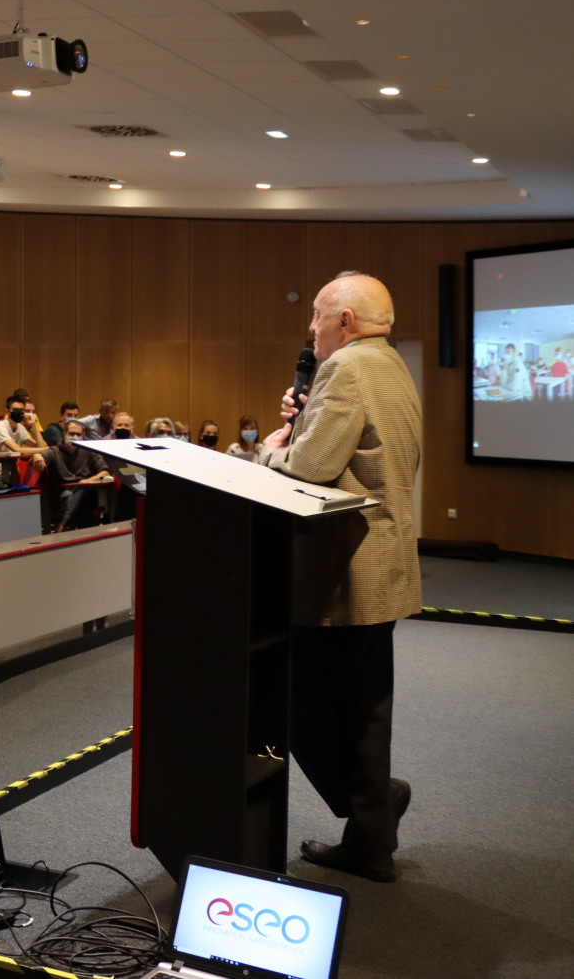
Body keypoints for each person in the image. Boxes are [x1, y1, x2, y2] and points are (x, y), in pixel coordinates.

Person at [252, 273, 422, 882]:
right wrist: (307, 421)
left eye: (317, 315)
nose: (311, 328)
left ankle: (373, 807)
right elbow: (356, 458)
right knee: (366, 710)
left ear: (344, 320)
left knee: (298, 708)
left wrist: (268, 449)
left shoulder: (345, 367)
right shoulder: (390, 365)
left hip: (343, 574)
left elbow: (313, 469)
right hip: (385, 565)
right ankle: (371, 843)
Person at [50, 418, 114, 529]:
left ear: (83, 435)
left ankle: (64, 523)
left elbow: (105, 471)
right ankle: (80, 530)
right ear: (64, 434)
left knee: (85, 492)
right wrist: (38, 456)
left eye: (78, 434)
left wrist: (88, 481)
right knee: (85, 504)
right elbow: (40, 457)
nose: (75, 437)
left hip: (86, 491)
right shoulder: (54, 451)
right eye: (72, 434)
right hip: (65, 493)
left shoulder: (89, 450)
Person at [0, 397, 49, 484]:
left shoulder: (20, 427)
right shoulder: (0, 427)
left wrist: (34, 426)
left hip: (12, 471)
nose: (19, 412)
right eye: (15, 410)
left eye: (21, 410)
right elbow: (18, 450)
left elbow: (40, 447)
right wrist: (46, 449)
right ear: (7, 412)